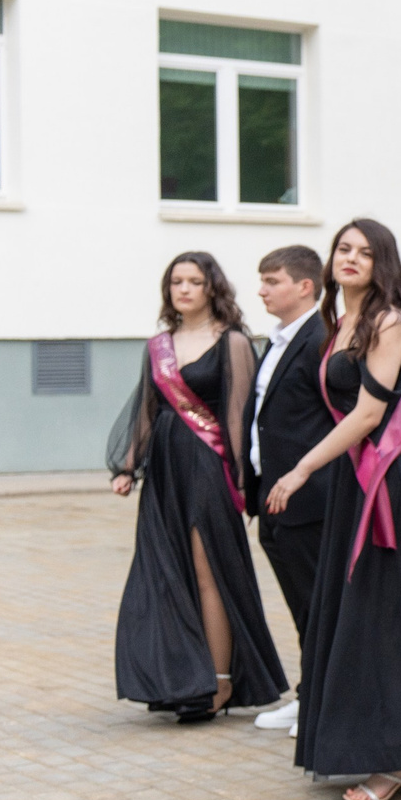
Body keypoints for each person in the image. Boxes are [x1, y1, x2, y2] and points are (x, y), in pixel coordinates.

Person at [270, 220, 401, 800]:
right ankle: (376, 742)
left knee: (393, 610)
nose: (351, 258)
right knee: (358, 610)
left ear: (381, 263)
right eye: (343, 248)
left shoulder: (388, 321)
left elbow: (368, 415)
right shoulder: (339, 321)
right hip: (353, 479)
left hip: (387, 480)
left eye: (365, 252)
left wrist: (301, 468)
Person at [109, 253, 289, 724]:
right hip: (166, 468)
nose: (184, 289)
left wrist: (242, 483)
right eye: (176, 282)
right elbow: (148, 409)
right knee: (166, 570)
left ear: (212, 288)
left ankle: (220, 680)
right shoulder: (159, 346)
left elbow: (239, 415)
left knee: (210, 571)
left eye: (193, 281)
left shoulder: (232, 342)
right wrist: (128, 466)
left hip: (210, 468)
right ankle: (182, 679)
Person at [248, 243, 333, 733]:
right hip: (273, 496)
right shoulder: (278, 340)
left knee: (318, 605)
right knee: (302, 607)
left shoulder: (321, 338)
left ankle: (322, 704)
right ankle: (309, 695)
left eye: (272, 281)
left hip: (309, 499)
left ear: (304, 286)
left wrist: (309, 477)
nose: (262, 290)